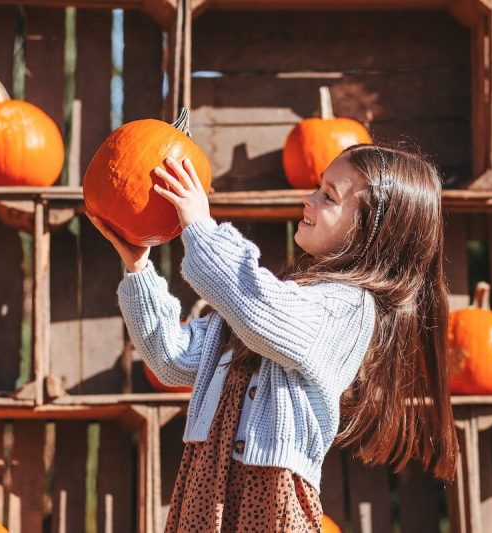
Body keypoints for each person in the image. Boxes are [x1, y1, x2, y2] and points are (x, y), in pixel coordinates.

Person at [88, 143, 458, 532]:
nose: (308, 198)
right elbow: (171, 358)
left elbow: (257, 309)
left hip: (268, 499)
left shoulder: (347, 310)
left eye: (328, 196)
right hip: (204, 488)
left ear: (371, 232)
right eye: (317, 187)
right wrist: (138, 267)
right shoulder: (279, 301)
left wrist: (200, 227)